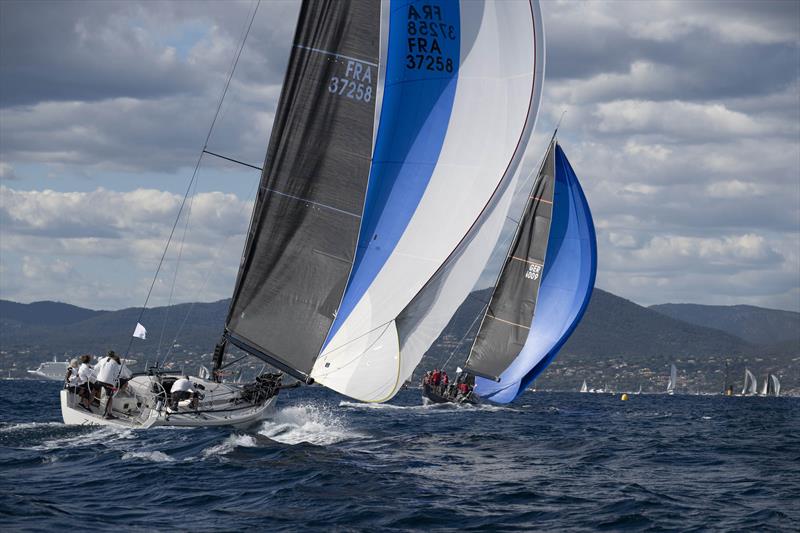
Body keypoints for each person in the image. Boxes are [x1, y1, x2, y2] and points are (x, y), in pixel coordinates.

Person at [95, 350, 122, 419]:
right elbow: (116, 375)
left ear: (107, 354)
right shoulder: (115, 363)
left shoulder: (102, 360)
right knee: (109, 398)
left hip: (99, 380)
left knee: (93, 391)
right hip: (108, 382)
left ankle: (88, 405)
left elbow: (95, 368)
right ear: (113, 355)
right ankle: (108, 413)